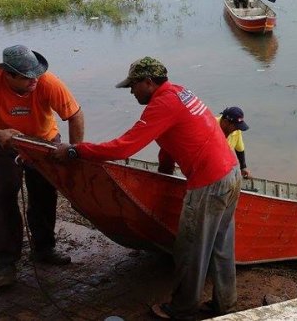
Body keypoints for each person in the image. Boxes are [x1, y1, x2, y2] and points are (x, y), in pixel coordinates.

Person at [51, 57, 240, 321]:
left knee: (190, 248)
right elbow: (171, 140)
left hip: (209, 182)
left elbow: (123, 148)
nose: (131, 91)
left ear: (148, 82)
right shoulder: (180, 92)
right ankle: (226, 305)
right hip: (231, 172)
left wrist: (76, 149)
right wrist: (163, 173)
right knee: (221, 245)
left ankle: (183, 309)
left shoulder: (162, 104)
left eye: (133, 85)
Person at [0, 45, 84, 289]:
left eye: (36, 74)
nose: (34, 81)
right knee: (4, 193)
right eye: (27, 78)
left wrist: (73, 151)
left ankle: (44, 248)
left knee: (44, 192)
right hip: (2, 141)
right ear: (8, 75)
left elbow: (75, 115)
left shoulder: (48, 82)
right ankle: (6, 260)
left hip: (44, 141)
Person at [217, 106, 251, 179]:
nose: (237, 129)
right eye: (236, 126)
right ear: (226, 122)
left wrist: (243, 168)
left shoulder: (236, 131)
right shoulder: (210, 126)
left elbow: (240, 150)